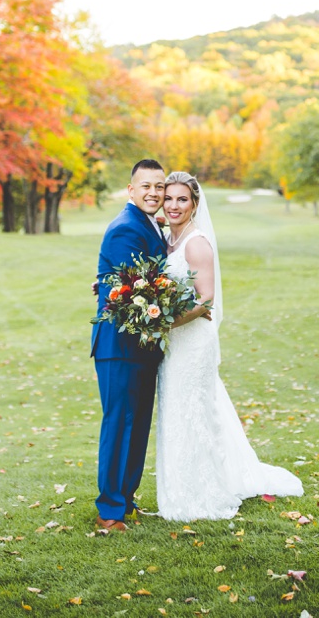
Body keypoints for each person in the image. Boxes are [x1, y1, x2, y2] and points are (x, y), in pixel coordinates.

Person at [153, 171, 303, 520]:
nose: (174, 206)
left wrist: (165, 322)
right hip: (174, 342)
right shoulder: (168, 239)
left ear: (194, 204)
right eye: (170, 198)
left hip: (191, 341)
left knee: (192, 412)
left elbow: (205, 299)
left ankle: (201, 492)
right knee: (177, 412)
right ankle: (179, 486)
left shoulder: (196, 243)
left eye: (182, 200)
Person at [90, 159, 172, 532]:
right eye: (146, 186)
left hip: (141, 345)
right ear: (131, 190)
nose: (154, 193)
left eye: (159, 186)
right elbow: (130, 292)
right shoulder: (126, 228)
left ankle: (125, 498)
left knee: (137, 425)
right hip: (119, 344)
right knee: (120, 423)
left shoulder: (149, 224)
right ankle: (109, 511)